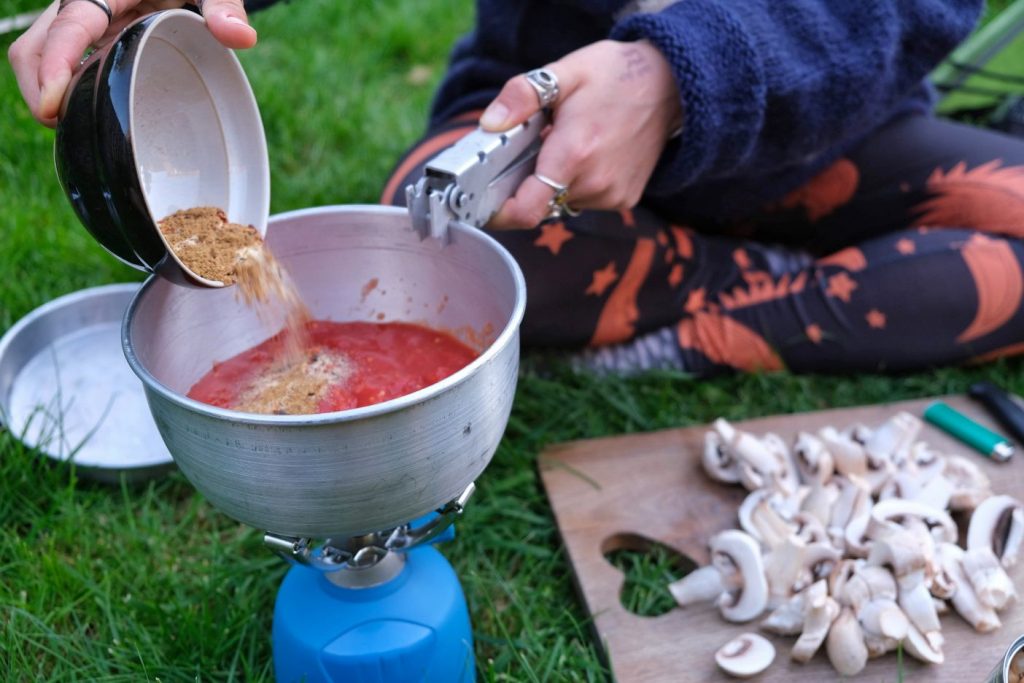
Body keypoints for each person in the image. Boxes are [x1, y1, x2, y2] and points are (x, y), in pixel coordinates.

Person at [11, 0, 1024, 376]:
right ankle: (813, 280)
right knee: (431, 232)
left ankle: (700, 326)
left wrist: (682, 74)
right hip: (538, 122)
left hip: (820, 124)